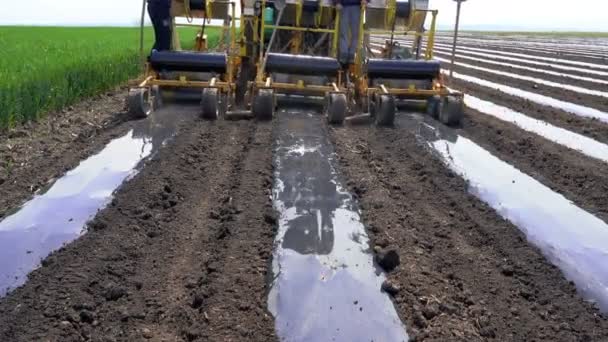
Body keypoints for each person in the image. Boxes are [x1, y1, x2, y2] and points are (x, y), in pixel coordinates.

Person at [337, 0, 363, 66]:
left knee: (355, 33)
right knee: (343, 32)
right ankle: (344, 56)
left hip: (356, 6)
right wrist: (337, 2)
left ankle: (351, 55)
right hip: (344, 6)